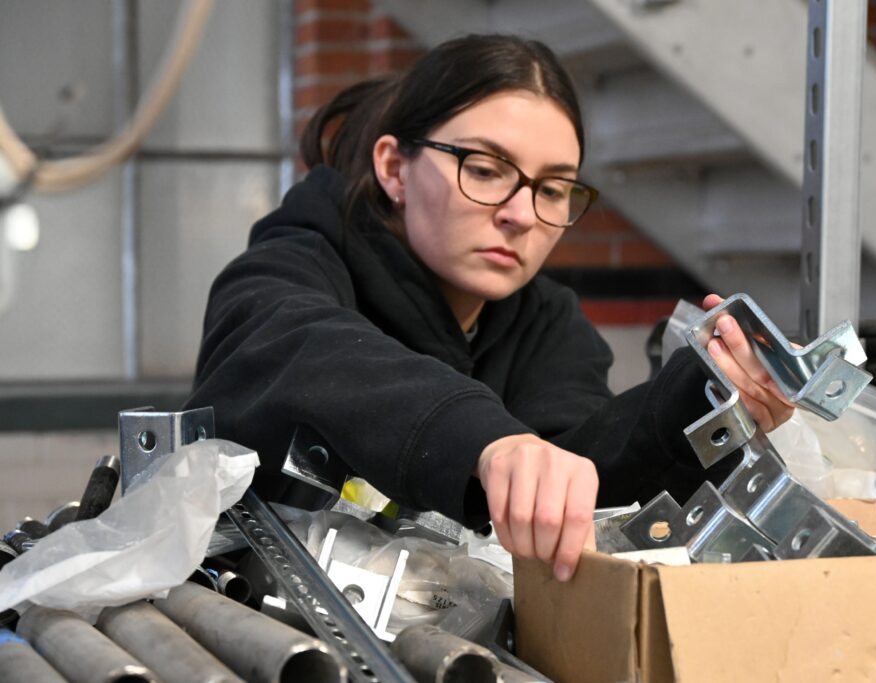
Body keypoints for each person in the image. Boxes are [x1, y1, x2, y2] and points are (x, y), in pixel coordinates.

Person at [186, 34, 793, 582]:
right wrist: (488, 441)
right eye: (484, 169)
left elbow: (583, 467)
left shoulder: (545, 320)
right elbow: (308, 353)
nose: (521, 214)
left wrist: (703, 404)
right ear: (394, 168)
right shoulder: (290, 266)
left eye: (552, 188)